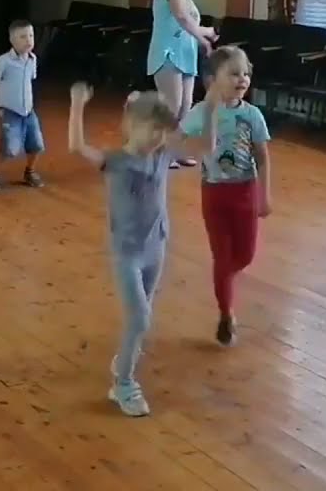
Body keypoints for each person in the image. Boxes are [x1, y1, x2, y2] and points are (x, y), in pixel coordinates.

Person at [68, 82, 216, 417]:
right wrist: (77, 104)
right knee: (140, 319)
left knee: (140, 318)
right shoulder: (117, 161)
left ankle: (125, 359)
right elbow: (77, 147)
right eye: (153, 130)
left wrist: (210, 108)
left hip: (156, 247)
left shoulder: (162, 154)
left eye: (163, 132)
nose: (158, 138)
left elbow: (207, 146)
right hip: (127, 253)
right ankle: (122, 384)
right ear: (132, 125)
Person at [180, 46, 271, 346]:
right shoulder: (200, 112)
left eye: (246, 73)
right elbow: (177, 140)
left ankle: (223, 278)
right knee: (222, 257)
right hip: (214, 194)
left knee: (245, 256)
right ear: (211, 80)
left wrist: (264, 196)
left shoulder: (252, 115)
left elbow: (263, 157)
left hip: (245, 191)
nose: (242, 79)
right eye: (233, 73)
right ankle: (225, 313)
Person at [147, 0, 219, 169]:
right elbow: (181, 17)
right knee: (173, 106)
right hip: (168, 53)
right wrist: (204, 36)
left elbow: (189, 24)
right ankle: (157, 153)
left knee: (186, 107)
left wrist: (205, 35)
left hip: (186, 55)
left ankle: (174, 152)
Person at [0, 20, 44, 191]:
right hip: (10, 112)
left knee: (36, 144)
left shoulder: (32, 60)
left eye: (31, 36)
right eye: (23, 37)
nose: (28, 40)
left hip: (28, 111)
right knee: (10, 149)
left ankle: (30, 171)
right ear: (12, 40)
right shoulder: (4, 61)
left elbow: (29, 82)